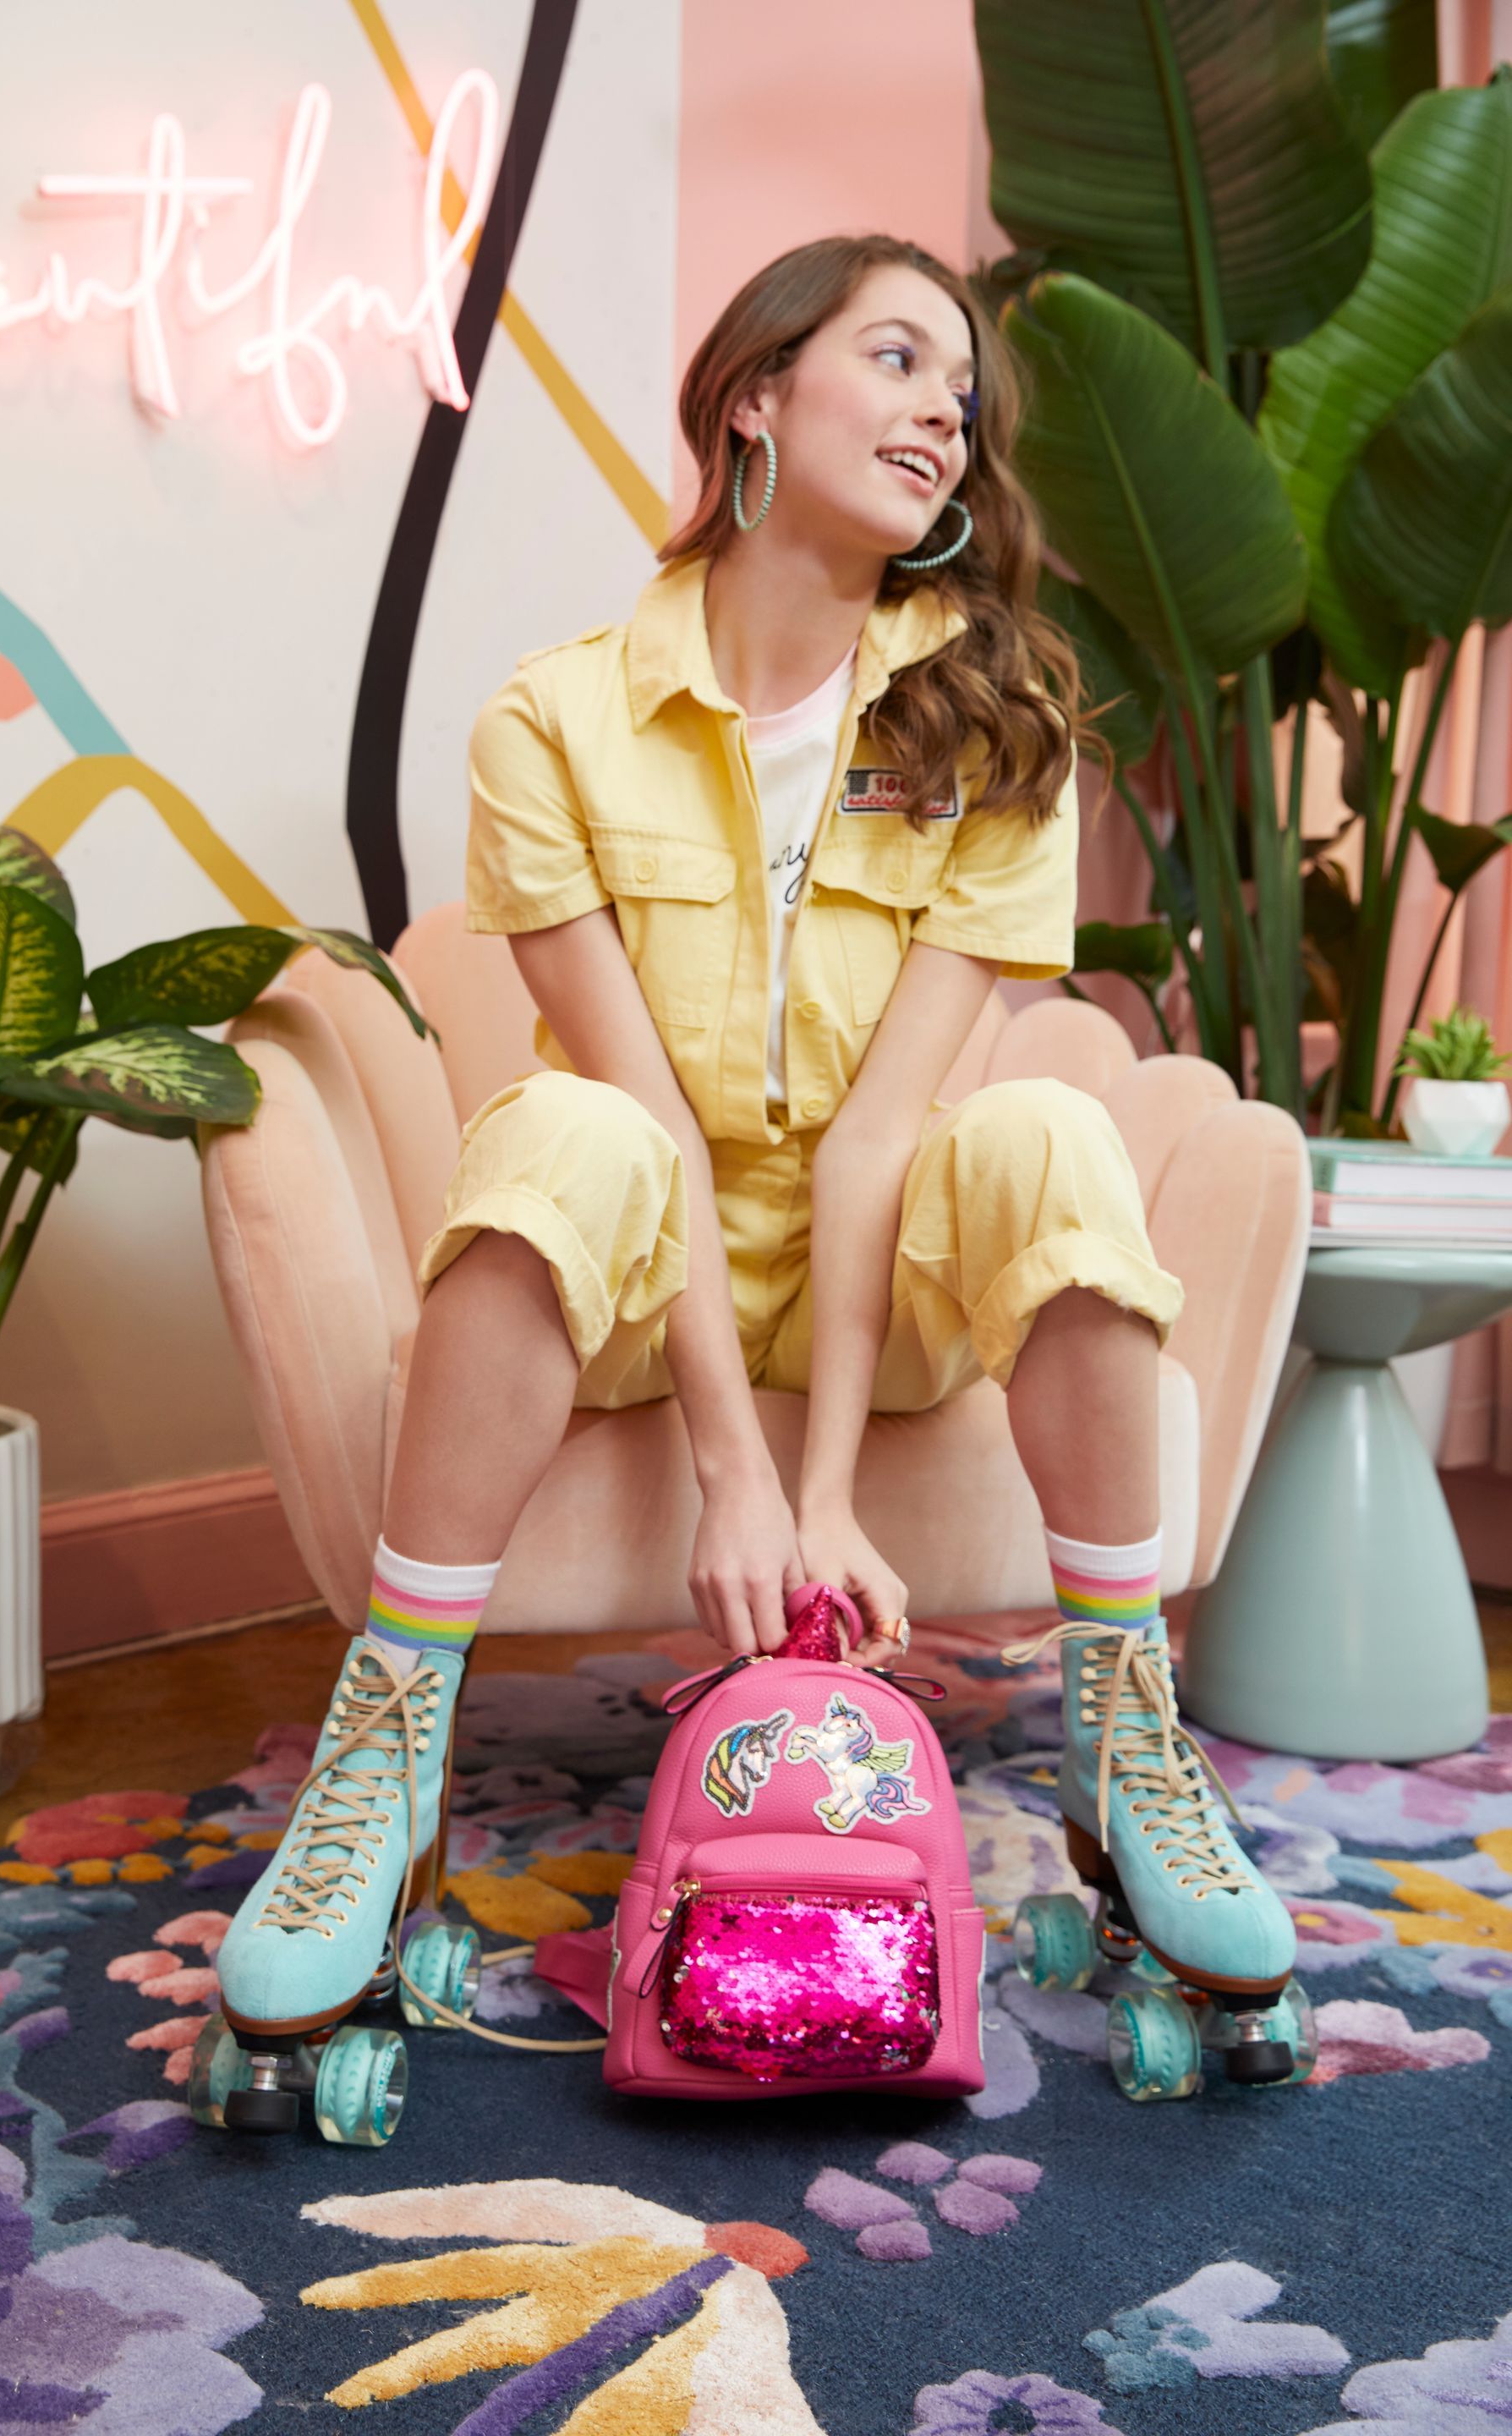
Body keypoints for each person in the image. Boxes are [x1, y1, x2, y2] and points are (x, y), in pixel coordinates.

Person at [216, 236, 1296, 2049]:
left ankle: (1128, 1739)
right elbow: (646, 1117)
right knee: (563, 1128)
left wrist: (824, 1498)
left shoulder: (997, 727)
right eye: (897, 358)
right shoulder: (552, 722)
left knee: (1042, 1123)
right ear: (755, 399)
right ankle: (383, 1759)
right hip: (645, 1278)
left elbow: (880, 1141)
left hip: (891, 1288)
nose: (946, 411)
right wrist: (733, 1471)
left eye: (963, 388)